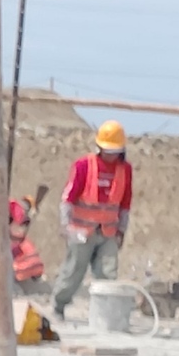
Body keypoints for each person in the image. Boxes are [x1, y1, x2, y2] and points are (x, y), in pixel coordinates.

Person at [52, 121, 134, 317]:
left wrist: (121, 230)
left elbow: (125, 203)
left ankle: (103, 315)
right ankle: (58, 306)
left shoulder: (125, 170)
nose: (110, 155)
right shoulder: (84, 166)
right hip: (81, 231)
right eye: (107, 150)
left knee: (107, 274)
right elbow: (68, 199)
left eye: (114, 151)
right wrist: (66, 227)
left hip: (108, 232)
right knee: (73, 271)